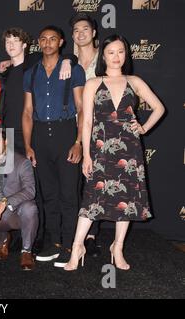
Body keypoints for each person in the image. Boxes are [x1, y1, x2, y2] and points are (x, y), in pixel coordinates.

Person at [64, 34, 165, 271]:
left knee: (127, 202)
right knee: (91, 201)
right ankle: (77, 246)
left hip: (129, 149)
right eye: (111, 52)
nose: (116, 57)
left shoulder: (134, 80)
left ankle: (117, 247)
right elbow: (87, 122)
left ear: (126, 55)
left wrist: (143, 128)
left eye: (121, 52)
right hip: (99, 150)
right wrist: (87, 156)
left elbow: (159, 107)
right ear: (103, 56)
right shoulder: (92, 83)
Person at [22, 25, 86, 268]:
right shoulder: (31, 73)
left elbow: (81, 109)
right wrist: (28, 145)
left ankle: (72, 245)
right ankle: (55, 242)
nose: (47, 42)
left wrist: (78, 142)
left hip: (65, 131)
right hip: (40, 135)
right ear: (39, 42)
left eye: (52, 39)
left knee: (69, 193)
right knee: (48, 194)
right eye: (43, 39)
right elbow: (27, 112)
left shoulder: (74, 70)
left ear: (61, 42)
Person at [0, 124, 38, 270]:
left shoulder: (21, 162)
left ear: (6, 141)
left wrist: (5, 202)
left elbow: (30, 191)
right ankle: (3, 240)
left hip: (17, 210)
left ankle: (27, 251)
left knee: (30, 208)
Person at [70, 12, 101, 257]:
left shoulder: (103, 60)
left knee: (95, 180)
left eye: (85, 29)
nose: (80, 33)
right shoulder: (67, 61)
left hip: (100, 127)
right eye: (76, 30)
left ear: (93, 33)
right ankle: (75, 230)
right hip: (71, 126)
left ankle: (91, 233)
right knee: (74, 181)